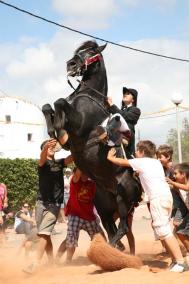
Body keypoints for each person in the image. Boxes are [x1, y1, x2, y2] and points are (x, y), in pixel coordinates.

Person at [107, 140, 187, 272]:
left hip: (158, 199)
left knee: (164, 231)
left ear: (142, 152)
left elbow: (122, 162)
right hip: (166, 197)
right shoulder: (155, 162)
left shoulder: (141, 162)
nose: (135, 153)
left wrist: (110, 157)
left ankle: (180, 262)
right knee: (163, 230)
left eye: (137, 150)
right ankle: (175, 261)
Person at [23, 138, 73, 273]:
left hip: (55, 205)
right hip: (40, 203)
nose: (50, 147)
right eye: (46, 147)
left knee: (44, 233)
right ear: (43, 149)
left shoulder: (59, 163)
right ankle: (51, 262)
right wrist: (46, 147)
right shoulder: (42, 163)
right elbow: (42, 157)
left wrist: (74, 143)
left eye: (51, 146)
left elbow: (72, 157)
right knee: (45, 234)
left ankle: (35, 263)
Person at [55, 167, 104, 263]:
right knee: (70, 240)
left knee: (101, 237)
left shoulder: (92, 184)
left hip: (89, 216)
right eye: (83, 173)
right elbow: (78, 173)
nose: (84, 175)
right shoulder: (75, 181)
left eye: (86, 173)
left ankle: (105, 256)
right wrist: (82, 159)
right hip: (75, 215)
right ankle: (64, 261)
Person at [106, 86, 141, 158]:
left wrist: (112, 105)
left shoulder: (136, 110)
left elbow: (123, 116)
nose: (125, 94)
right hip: (115, 132)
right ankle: (105, 134)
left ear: (133, 99)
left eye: (128, 93)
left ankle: (107, 132)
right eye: (124, 93)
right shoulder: (120, 110)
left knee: (117, 116)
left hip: (127, 135)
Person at [166, 163, 189, 264]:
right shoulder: (177, 187)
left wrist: (172, 183)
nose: (174, 176)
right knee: (180, 231)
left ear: (183, 174)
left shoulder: (185, 184)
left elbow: (187, 188)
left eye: (176, 173)